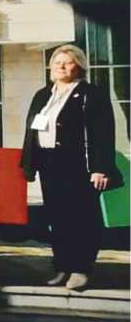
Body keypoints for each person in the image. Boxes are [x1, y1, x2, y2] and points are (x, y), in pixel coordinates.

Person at [21, 44, 121, 291]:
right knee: (57, 219)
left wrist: (101, 168)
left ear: (80, 66)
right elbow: (30, 131)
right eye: (57, 62)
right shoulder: (43, 95)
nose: (61, 67)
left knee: (82, 220)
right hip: (49, 165)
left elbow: (103, 133)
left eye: (67, 62)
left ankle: (80, 269)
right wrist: (28, 164)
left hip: (78, 166)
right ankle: (62, 267)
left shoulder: (91, 94)